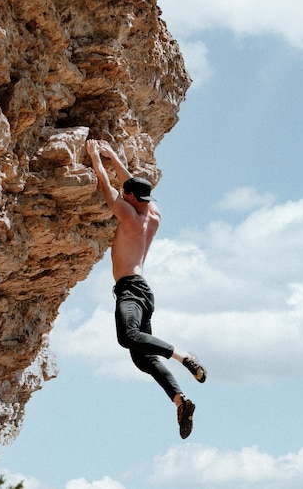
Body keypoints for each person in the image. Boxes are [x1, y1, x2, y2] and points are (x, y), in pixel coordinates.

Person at [86, 139, 207, 439]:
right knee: (142, 358)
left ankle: (182, 355)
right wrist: (112, 154)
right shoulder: (153, 214)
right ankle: (180, 402)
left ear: (131, 198)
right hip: (145, 290)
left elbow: (108, 189)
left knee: (127, 337)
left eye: (127, 194)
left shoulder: (127, 214)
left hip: (129, 289)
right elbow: (130, 186)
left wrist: (96, 160)